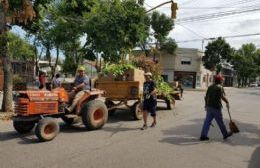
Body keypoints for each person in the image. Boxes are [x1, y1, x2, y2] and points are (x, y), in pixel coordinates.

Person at [200, 75, 232, 141]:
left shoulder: (210, 87)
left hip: (209, 107)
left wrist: (206, 105)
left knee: (207, 122)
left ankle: (203, 135)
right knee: (220, 122)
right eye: (222, 80)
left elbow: (206, 97)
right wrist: (227, 102)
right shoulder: (219, 87)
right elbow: (222, 97)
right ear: (220, 81)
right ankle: (225, 134)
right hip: (216, 107)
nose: (222, 81)